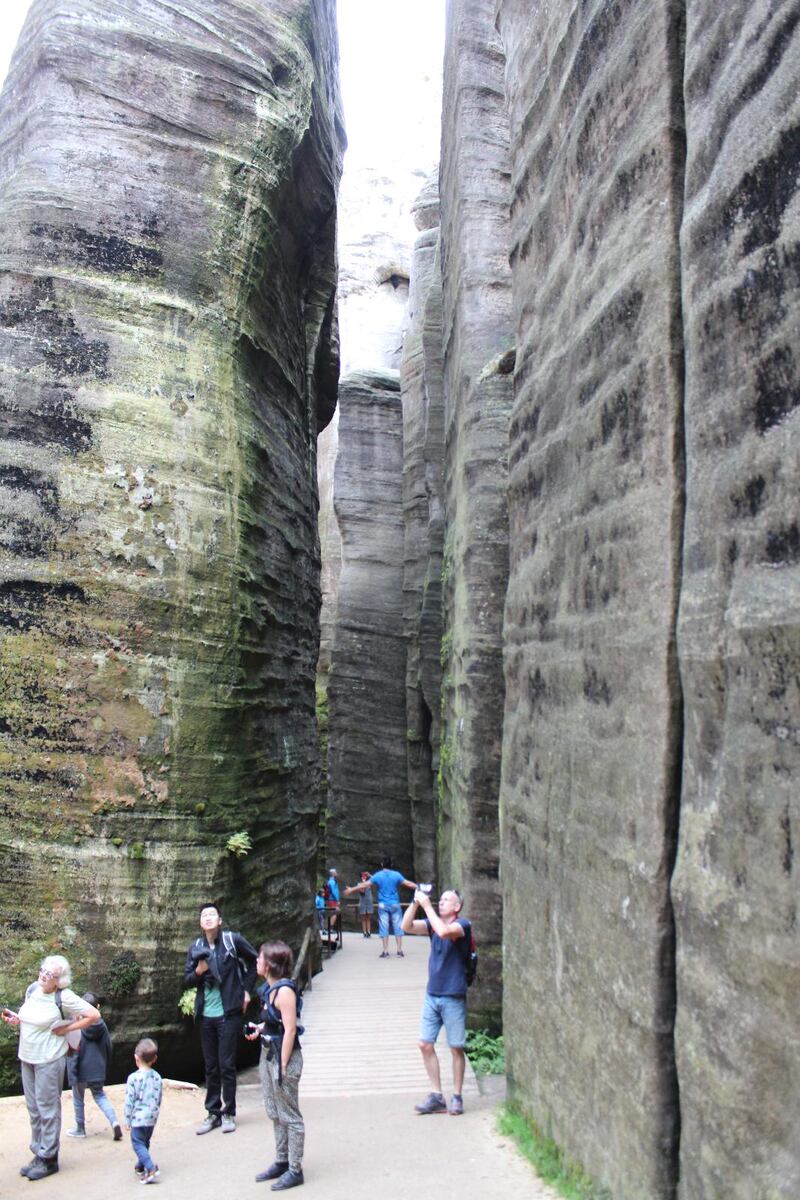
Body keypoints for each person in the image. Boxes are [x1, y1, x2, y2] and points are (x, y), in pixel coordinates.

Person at [2, 955, 100, 1181]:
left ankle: (49, 1158)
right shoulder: (33, 989)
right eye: (43, 970)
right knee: (34, 1108)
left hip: (49, 1058)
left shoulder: (63, 997)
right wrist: (18, 1019)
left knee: (47, 1107)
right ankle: (38, 1152)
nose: (44, 975)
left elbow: (94, 1015)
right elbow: (31, 1017)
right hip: (27, 1056)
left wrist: (68, 1029)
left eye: (51, 974)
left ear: (60, 980)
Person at [183, 902, 258, 1134]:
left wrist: (246, 990)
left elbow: (254, 962)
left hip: (229, 1013)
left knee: (226, 1064)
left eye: (212, 914)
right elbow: (186, 981)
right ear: (199, 922)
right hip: (206, 1015)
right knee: (211, 1065)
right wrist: (199, 971)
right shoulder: (196, 947)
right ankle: (212, 1113)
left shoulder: (231, 941)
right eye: (204, 915)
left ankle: (229, 1112)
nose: (207, 918)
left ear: (220, 920)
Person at [401, 887, 470, 1116]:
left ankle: (457, 1096)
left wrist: (427, 906)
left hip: (453, 995)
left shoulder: (462, 926)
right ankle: (437, 1096)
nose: (440, 902)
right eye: (438, 900)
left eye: (446, 900)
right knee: (425, 1044)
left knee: (456, 1048)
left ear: (457, 907)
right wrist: (415, 902)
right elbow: (406, 927)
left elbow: (443, 932)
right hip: (432, 994)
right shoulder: (432, 923)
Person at [248, 941, 305, 1191]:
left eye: (260, 958)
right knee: (273, 1109)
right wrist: (258, 1029)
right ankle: (282, 1160)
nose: (256, 962)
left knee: (290, 1114)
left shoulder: (285, 992)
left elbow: (290, 1029)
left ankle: (295, 1169)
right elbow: (276, 1022)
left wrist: (282, 1066)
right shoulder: (267, 989)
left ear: (270, 964)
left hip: (285, 1057)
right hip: (268, 1052)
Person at [67, 991, 122, 1140]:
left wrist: (71, 1074)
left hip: (80, 1070)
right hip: (97, 1068)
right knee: (99, 1095)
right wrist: (106, 1065)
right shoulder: (102, 1025)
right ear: (97, 1007)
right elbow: (109, 1046)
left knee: (78, 1098)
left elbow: (73, 1052)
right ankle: (114, 1121)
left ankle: (80, 1129)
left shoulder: (77, 1026)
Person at [346, 855, 416, 958]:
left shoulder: (378, 876)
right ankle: (399, 951)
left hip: (383, 905)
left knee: (384, 927)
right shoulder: (396, 875)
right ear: (391, 865)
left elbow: (364, 885)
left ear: (382, 864)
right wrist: (420, 888)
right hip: (395, 904)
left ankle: (385, 951)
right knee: (398, 926)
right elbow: (408, 883)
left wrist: (352, 889)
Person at [124, 1037, 162, 1184]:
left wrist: (127, 1119)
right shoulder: (157, 1077)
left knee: (137, 1143)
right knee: (145, 1141)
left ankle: (151, 1168)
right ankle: (140, 1165)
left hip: (138, 1118)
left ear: (136, 1058)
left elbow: (129, 1100)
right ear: (155, 1059)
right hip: (152, 1117)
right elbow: (159, 1097)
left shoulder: (133, 1078)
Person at [357, 871, 374, 937]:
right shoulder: (359, 884)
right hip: (362, 902)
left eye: (365, 876)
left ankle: (369, 931)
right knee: (363, 918)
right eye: (362, 876)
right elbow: (362, 892)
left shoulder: (369, 883)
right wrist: (363, 882)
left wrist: (369, 875)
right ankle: (364, 932)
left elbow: (375, 879)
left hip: (369, 901)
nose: (364, 877)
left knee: (368, 918)